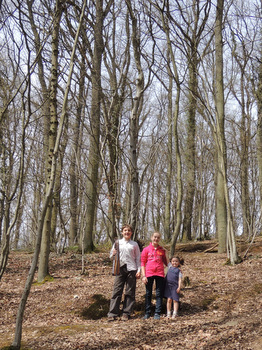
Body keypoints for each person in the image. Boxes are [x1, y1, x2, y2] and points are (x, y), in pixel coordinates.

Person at [107, 224, 141, 321]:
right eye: (125, 230)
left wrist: (139, 270)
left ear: (131, 233)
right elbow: (111, 257)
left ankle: (126, 313)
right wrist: (112, 254)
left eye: (129, 231)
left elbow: (138, 258)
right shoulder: (117, 243)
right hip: (119, 268)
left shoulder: (134, 244)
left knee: (130, 292)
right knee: (117, 291)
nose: (127, 232)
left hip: (131, 269)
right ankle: (113, 313)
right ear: (122, 232)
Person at [141, 232, 168, 320]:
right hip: (149, 273)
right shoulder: (146, 249)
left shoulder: (161, 250)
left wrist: (166, 252)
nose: (156, 239)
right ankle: (147, 312)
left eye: (158, 238)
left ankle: (157, 313)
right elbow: (142, 263)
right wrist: (143, 276)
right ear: (151, 237)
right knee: (148, 293)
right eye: (155, 237)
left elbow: (167, 263)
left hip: (160, 274)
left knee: (159, 294)